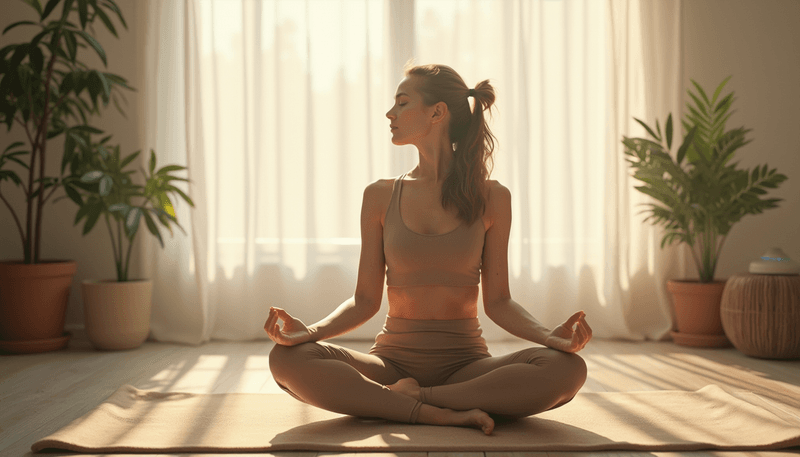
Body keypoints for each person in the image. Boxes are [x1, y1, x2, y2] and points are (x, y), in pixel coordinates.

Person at [266, 64, 591, 435]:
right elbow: (365, 300)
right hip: (391, 363)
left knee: (568, 369)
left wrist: (550, 338)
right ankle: (438, 409)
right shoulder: (379, 195)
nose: (391, 114)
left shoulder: (493, 197)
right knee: (287, 359)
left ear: (437, 112)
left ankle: (409, 400)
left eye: (402, 103)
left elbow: (499, 301)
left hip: (466, 366)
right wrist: (306, 333)